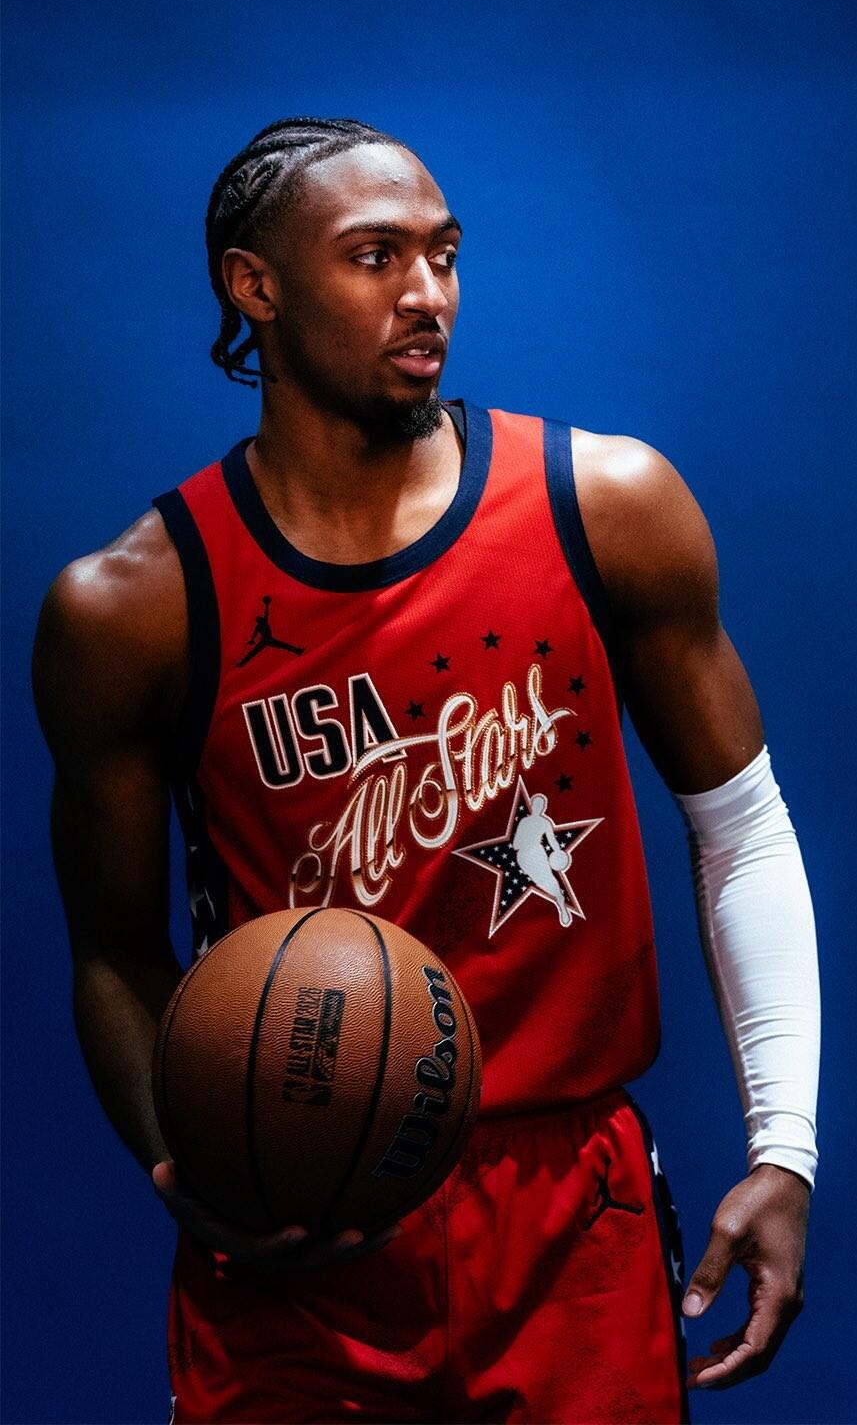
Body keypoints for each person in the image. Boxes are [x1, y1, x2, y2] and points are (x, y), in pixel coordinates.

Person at [32, 116, 819, 1424]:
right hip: (300, 1232)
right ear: (256, 286)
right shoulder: (135, 606)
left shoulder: (602, 504)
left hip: (570, 1217)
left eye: (444, 256)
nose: (426, 294)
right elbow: (114, 951)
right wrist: (192, 1160)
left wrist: (781, 1146)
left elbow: (739, 825)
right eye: (374, 256)